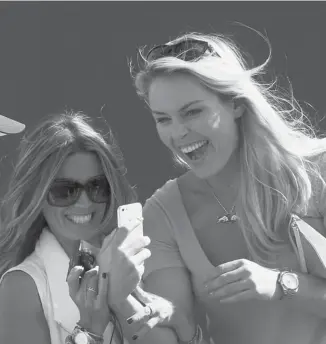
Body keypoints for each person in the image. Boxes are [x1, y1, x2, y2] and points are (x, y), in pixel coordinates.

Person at [130, 32, 326, 344]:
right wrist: (149, 311)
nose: (179, 133)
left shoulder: (320, 170)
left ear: (235, 103)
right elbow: (172, 326)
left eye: (193, 111)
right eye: (163, 119)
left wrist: (281, 284)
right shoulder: (162, 211)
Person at [0, 112, 153, 344]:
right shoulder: (22, 286)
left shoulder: (135, 264)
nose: (85, 203)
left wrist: (125, 302)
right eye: (65, 191)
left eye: (97, 186)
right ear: (37, 195)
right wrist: (89, 331)